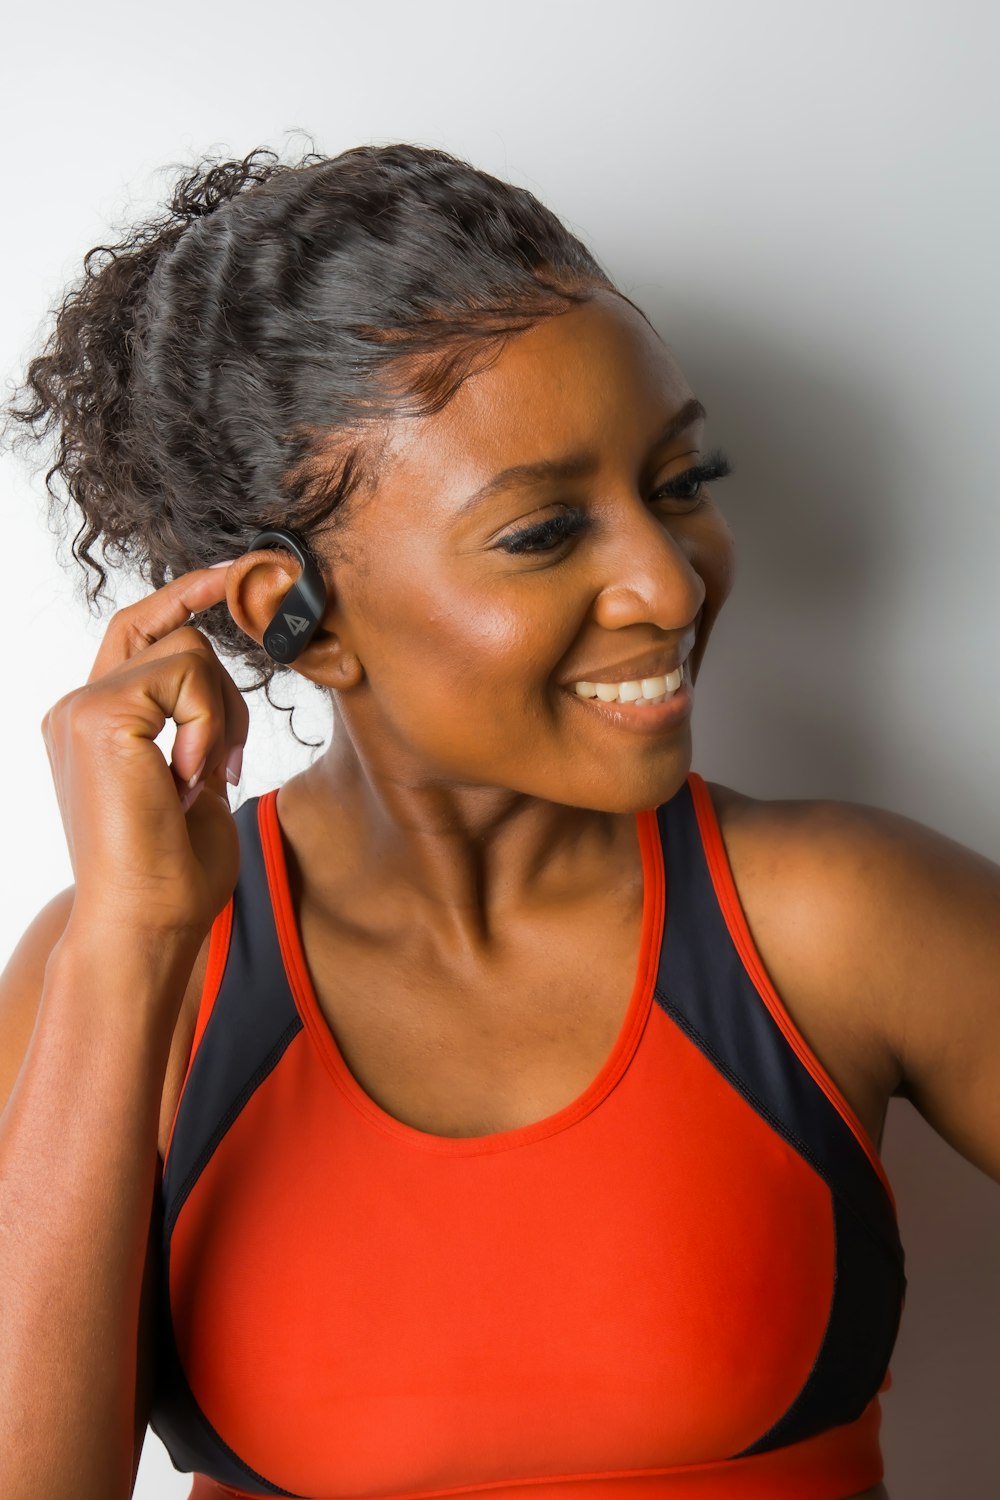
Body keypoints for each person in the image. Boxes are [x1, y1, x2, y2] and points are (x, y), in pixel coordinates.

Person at [0, 140, 996, 1500]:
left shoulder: (840, 917)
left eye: (678, 483)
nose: (667, 583)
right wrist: (125, 944)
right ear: (290, 619)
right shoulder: (119, 973)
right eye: (542, 534)